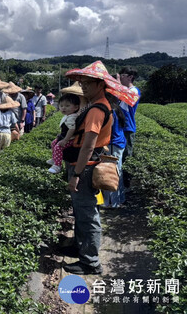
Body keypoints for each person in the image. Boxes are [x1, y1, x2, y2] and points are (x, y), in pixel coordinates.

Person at [61, 60, 139, 275]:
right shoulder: (98, 104)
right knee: (82, 210)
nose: (84, 86)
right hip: (83, 164)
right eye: (83, 82)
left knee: (87, 213)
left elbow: (88, 145)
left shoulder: (97, 109)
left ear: (100, 84)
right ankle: (79, 247)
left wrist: (76, 174)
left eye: (89, 82)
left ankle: (91, 262)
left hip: (85, 167)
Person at [102, 95, 126, 208]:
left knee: (109, 173)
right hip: (119, 143)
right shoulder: (118, 109)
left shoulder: (110, 112)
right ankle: (119, 200)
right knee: (118, 171)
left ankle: (110, 202)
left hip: (112, 145)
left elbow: (108, 130)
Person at [47, 93, 81, 174]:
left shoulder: (72, 117)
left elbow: (71, 129)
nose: (63, 108)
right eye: (61, 106)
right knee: (53, 143)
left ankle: (57, 165)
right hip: (65, 137)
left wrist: (65, 140)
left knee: (58, 147)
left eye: (67, 106)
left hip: (70, 139)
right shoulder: (68, 115)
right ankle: (55, 159)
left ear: (76, 107)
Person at [117, 67, 141, 163]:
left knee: (126, 157)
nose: (121, 78)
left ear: (130, 77)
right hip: (119, 127)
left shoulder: (134, 90)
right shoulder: (123, 90)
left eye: (123, 76)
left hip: (127, 127)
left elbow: (129, 100)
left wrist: (118, 83)